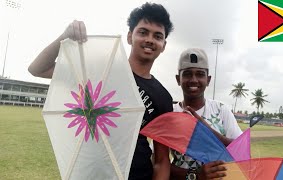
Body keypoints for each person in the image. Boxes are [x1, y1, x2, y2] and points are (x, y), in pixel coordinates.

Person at [28, 3, 174, 180]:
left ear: (163, 45)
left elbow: (161, 159)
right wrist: (64, 36)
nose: (150, 39)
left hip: (137, 174)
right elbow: (37, 69)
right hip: (91, 172)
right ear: (129, 36)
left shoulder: (163, 97)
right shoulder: (100, 70)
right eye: (143, 32)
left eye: (157, 36)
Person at [170, 48, 243, 180]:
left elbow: (241, 152)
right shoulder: (170, 113)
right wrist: (195, 175)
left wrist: (206, 130)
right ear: (178, 79)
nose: (193, 79)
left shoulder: (221, 110)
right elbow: (158, 162)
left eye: (200, 74)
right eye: (187, 74)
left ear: (208, 80)